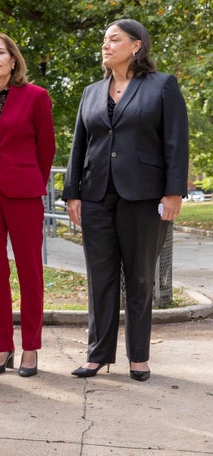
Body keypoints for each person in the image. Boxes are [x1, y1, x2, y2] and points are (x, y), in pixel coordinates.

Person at [63, 19, 189, 382]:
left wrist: (174, 191)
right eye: (104, 40)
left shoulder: (161, 86)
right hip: (97, 194)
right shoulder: (90, 92)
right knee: (99, 277)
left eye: (114, 39)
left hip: (144, 195)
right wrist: (73, 192)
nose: (105, 45)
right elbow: (79, 146)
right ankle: (97, 354)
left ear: (136, 46)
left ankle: (138, 356)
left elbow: (176, 142)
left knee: (138, 277)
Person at [0, 33, 55, 377]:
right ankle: (3, 346)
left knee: (29, 271)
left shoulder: (36, 97)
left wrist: (29, 178)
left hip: (24, 192)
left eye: (1, 53)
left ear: (14, 60)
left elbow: (45, 149)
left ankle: (31, 347)